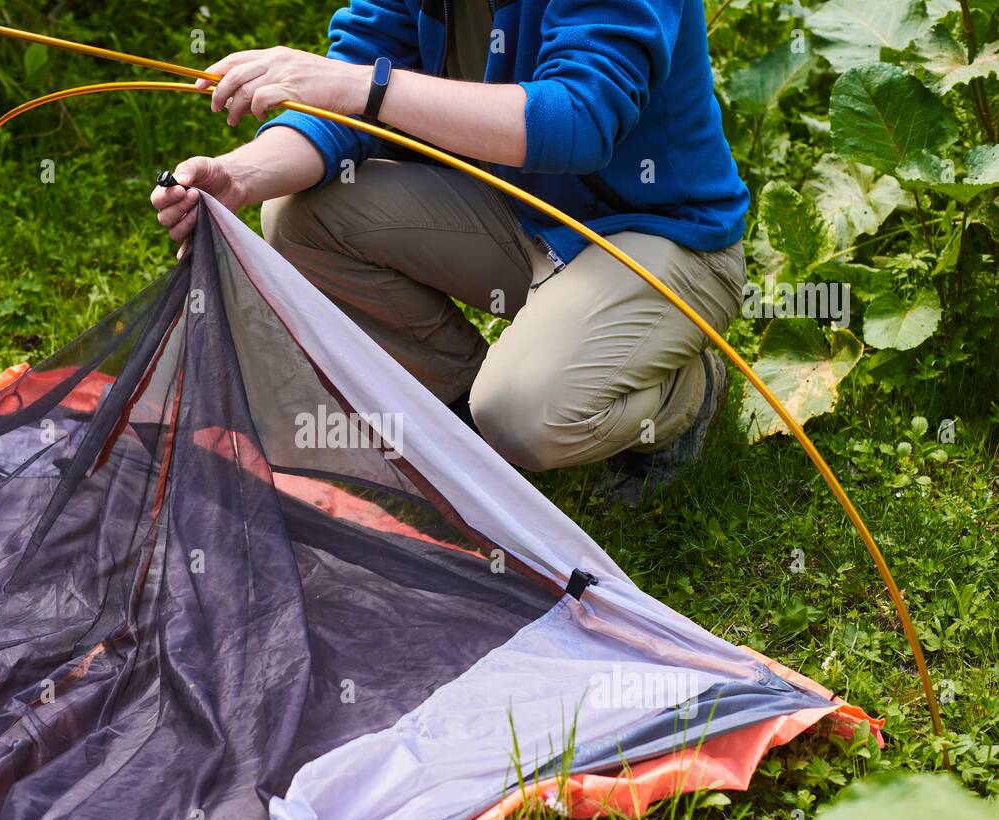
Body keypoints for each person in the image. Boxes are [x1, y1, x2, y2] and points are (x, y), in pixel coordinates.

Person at [150, 0, 748, 503]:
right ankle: (465, 418)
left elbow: (582, 117)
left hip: (665, 239)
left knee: (525, 414)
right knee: (298, 215)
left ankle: (685, 397)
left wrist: (364, 86)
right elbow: (350, 99)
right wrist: (242, 177)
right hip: (523, 217)